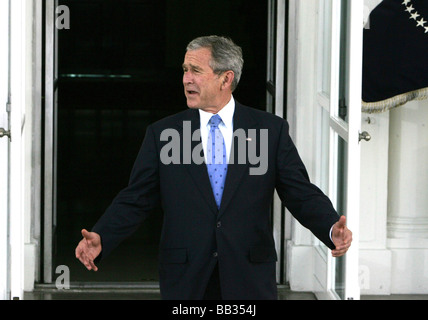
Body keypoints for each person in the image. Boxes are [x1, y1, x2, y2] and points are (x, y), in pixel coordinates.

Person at [75, 35, 352, 300]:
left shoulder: (270, 131)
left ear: (226, 78)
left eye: (196, 70)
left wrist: (329, 227)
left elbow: (299, 192)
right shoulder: (163, 134)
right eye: (185, 70)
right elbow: (136, 198)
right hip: (186, 275)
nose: (186, 79)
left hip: (249, 273)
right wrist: (102, 235)